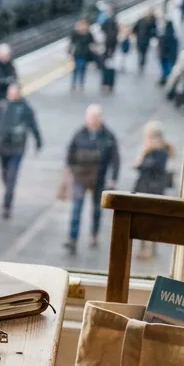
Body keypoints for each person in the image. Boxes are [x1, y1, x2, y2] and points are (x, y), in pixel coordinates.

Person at [63, 104, 120, 254]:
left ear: (101, 118)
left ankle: (94, 234)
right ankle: (72, 238)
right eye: (91, 117)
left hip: (98, 178)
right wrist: (71, 171)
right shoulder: (79, 133)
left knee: (96, 209)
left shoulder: (108, 136)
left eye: (96, 117)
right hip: (80, 177)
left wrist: (113, 178)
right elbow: (70, 153)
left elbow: (115, 158)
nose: (93, 120)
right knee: (76, 207)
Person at [0, 83, 42, 219]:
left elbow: (33, 125)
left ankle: (7, 205)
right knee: (5, 174)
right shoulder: (1, 106)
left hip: (17, 148)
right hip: (3, 147)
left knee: (12, 176)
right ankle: (8, 190)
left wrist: (38, 142)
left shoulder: (25, 108)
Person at [132, 121, 175, 259]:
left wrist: (144, 155)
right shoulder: (149, 151)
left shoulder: (161, 152)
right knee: (142, 221)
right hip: (144, 189)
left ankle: (151, 249)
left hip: (154, 190)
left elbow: (148, 166)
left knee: (152, 221)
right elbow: (137, 165)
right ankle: (143, 247)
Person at [68, 18, 95, 91]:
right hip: (77, 53)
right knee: (77, 67)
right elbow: (71, 43)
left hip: (85, 53)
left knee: (83, 67)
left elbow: (93, 42)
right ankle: (74, 82)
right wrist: (69, 54)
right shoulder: (75, 33)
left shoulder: (89, 34)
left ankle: (81, 83)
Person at [133, 8, 158, 73]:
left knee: (144, 53)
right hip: (140, 39)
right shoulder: (140, 20)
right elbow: (135, 28)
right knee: (139, 52)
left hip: (146, 40)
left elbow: (154, 30)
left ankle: (142, 64)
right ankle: (140, 63)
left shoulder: (152, 21)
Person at [157, 20, 180, 86]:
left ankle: (165, 80)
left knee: (165, 69)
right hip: (171, 55)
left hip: (164, 55)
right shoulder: (174, 37)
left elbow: (162, 46)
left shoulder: (163, 36)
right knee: (169, 69)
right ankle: (167, 80)